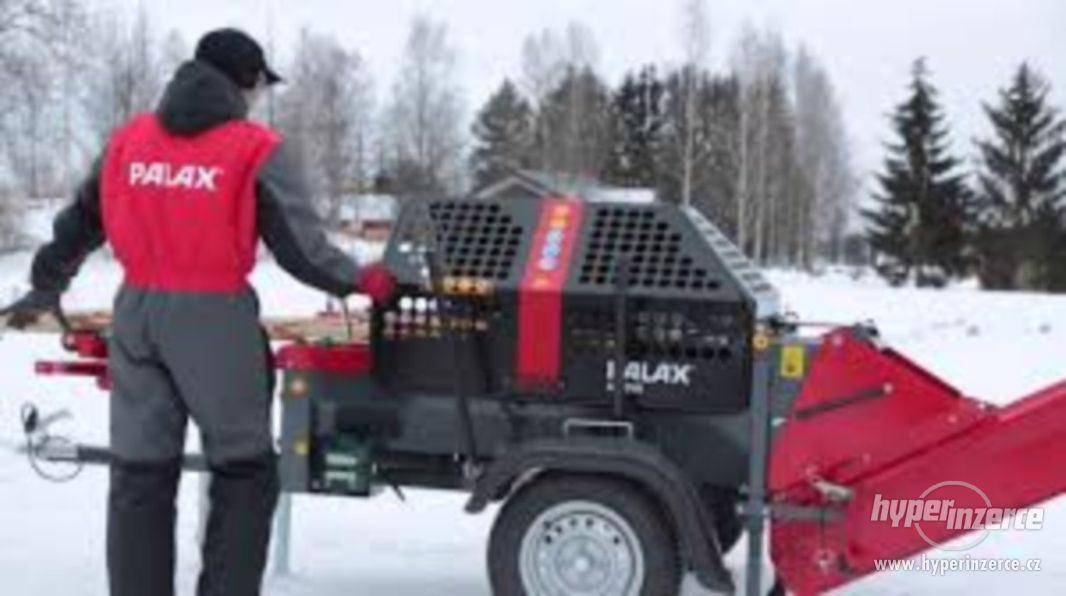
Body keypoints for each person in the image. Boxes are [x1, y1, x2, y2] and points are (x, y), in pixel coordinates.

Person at [0, 28, 395, 596]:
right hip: (213, 320)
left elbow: (82, 219)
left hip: (135, 316)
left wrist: (47, 283)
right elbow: (300, 249)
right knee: (244, 470)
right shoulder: (254, 149)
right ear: (248, 82)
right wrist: (362, 279)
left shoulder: (129, 141)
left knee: (140, 474)